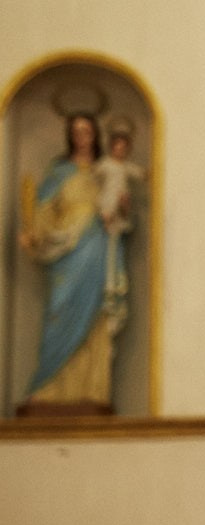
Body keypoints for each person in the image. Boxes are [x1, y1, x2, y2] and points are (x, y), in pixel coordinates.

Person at [16, 111, 117, 414]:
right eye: (75, 131)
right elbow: (43, 211)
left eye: (86, 131)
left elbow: (118, 215)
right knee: (59, 312)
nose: (81, 137)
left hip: (96, 249)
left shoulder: (104, 171)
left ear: (95, 135)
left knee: (94, 320)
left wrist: (121, 209)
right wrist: (34, 233)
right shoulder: (59, 172)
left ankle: (92, 389)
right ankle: (47, 388)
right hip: (65, 253)